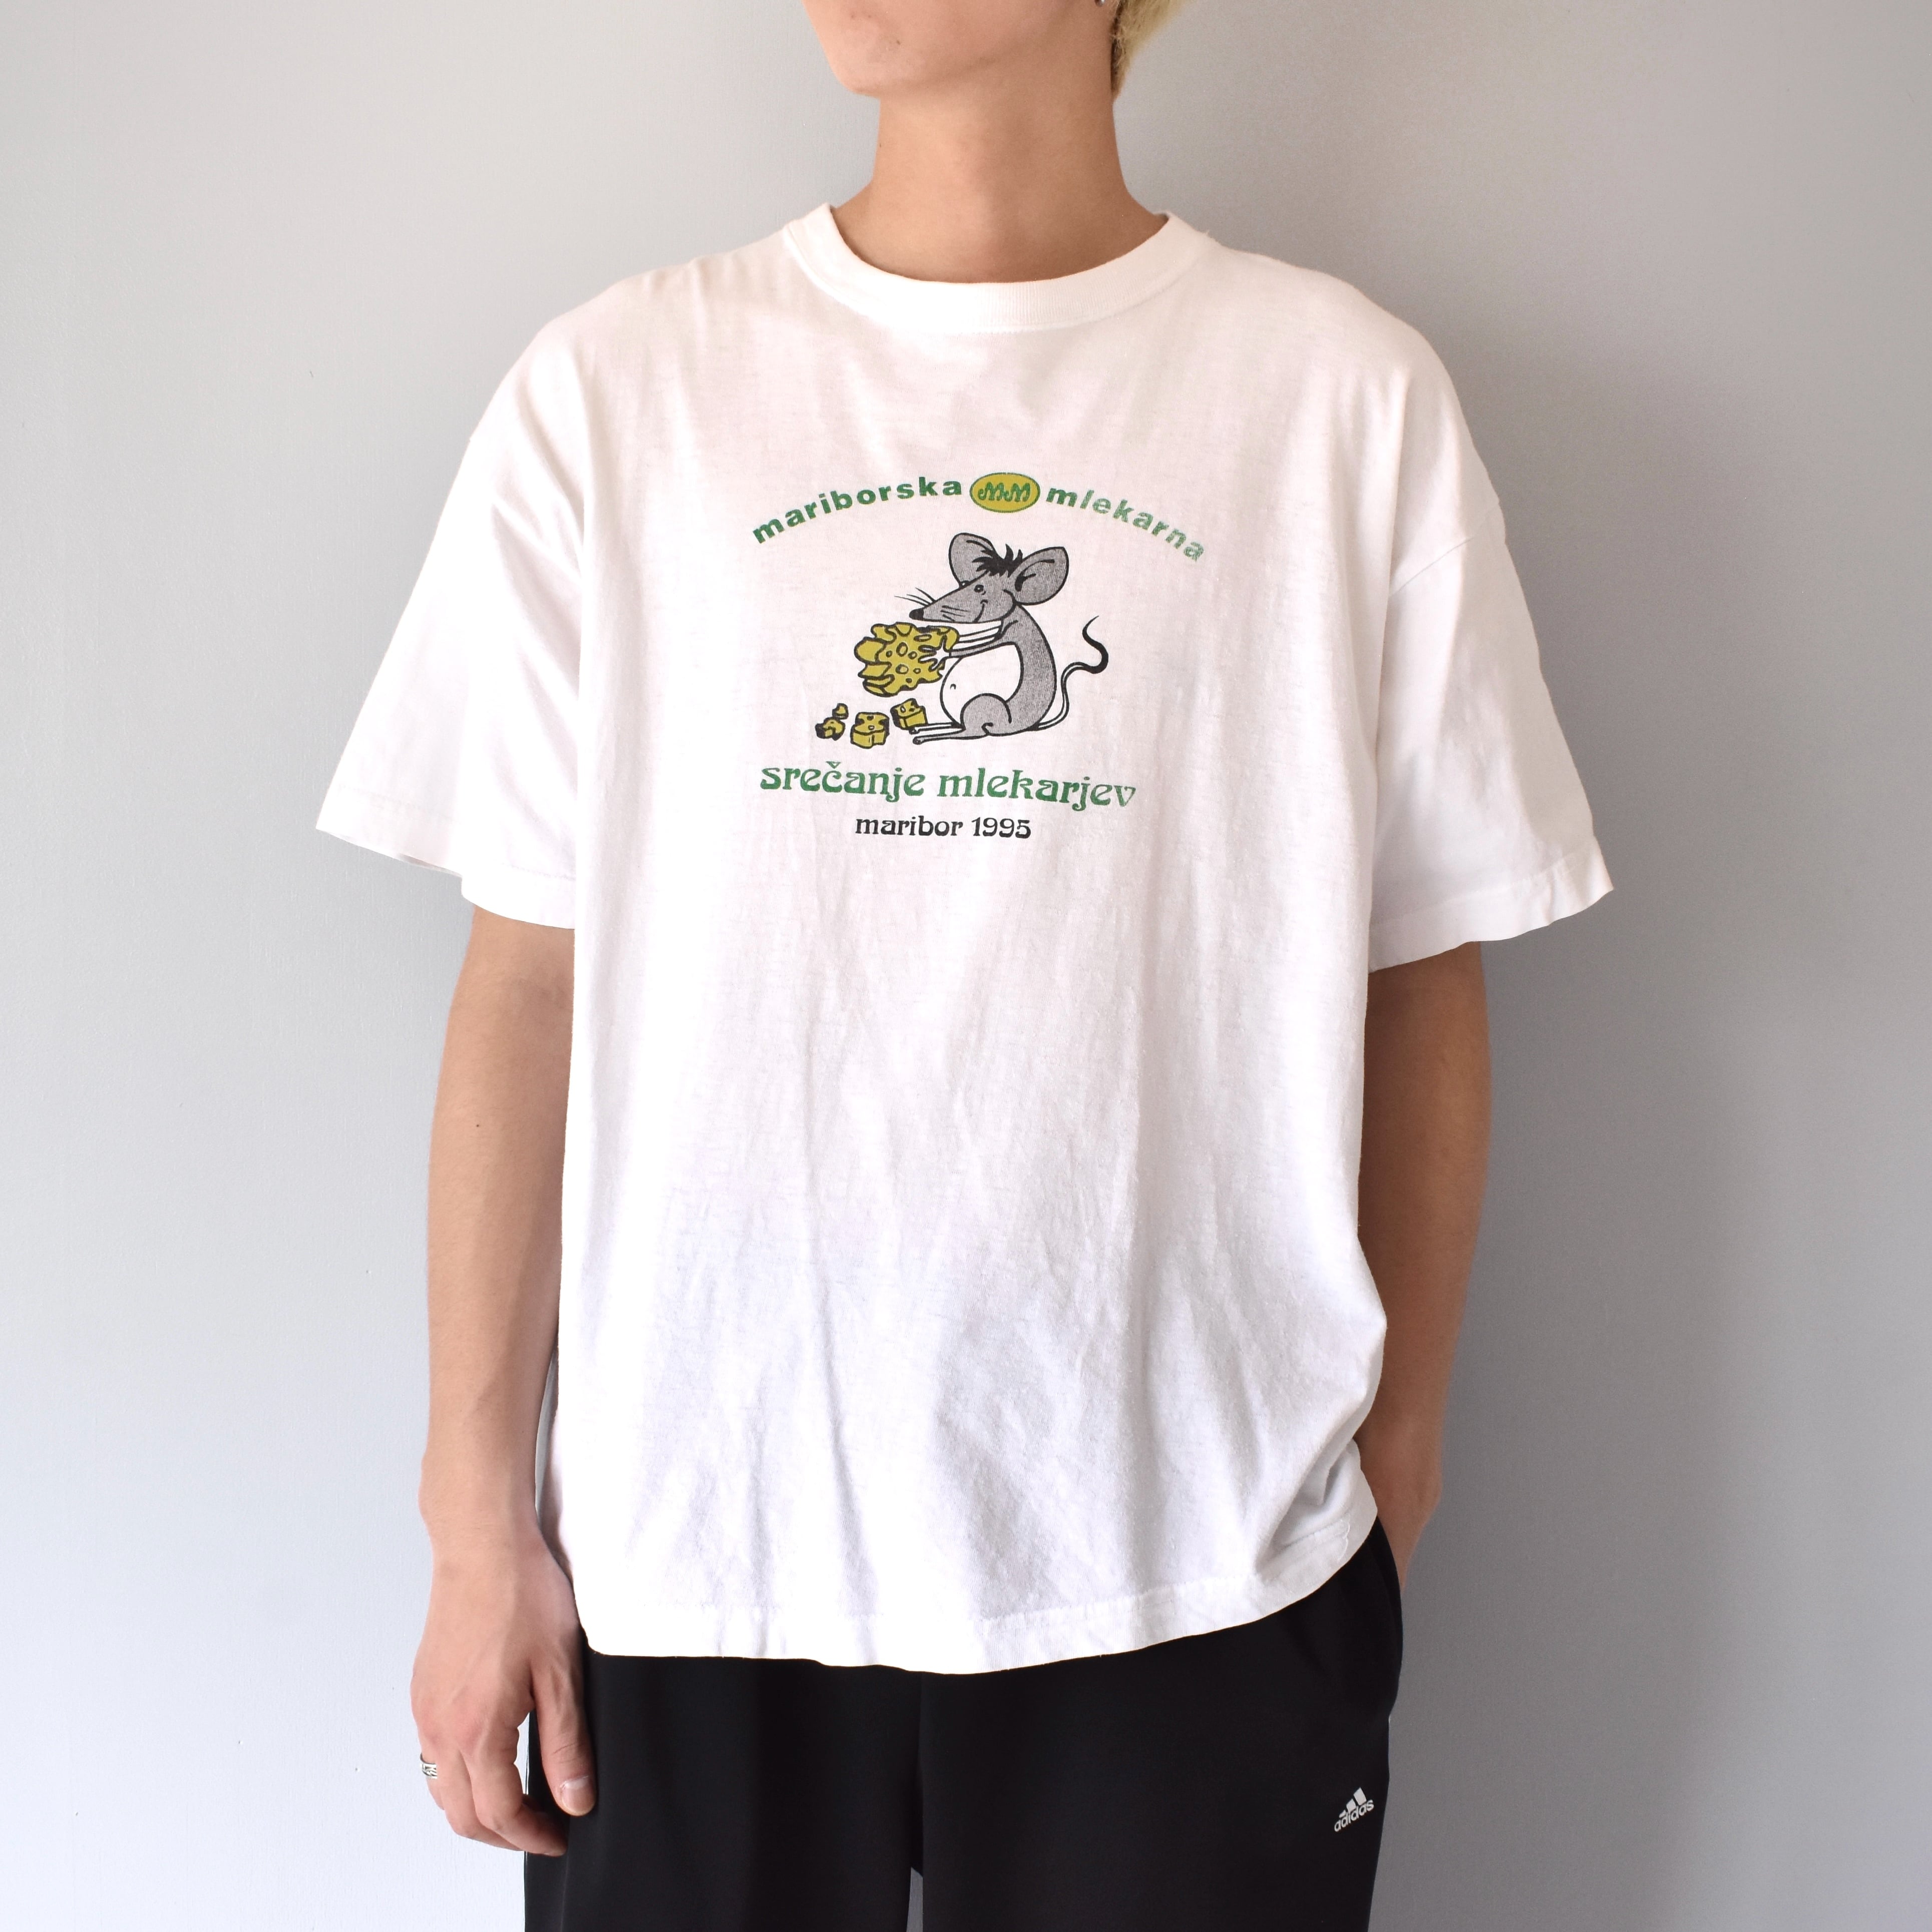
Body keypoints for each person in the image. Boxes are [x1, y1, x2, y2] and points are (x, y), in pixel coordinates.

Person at [319, 2, 1610, 1925]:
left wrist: (1393, 1468)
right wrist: (468, 1523)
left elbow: (1421, 964)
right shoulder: (620, 388)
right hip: (691, 1548)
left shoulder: (1337, 397)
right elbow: (528, 977)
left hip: (1198, 1547)